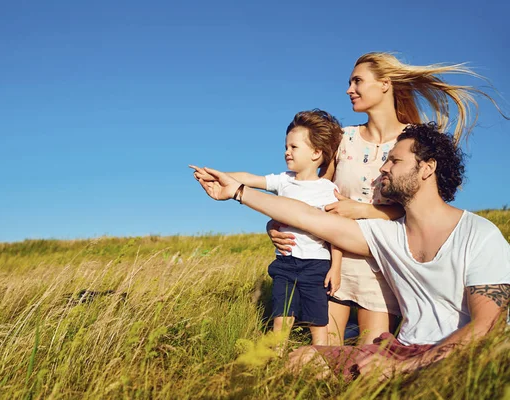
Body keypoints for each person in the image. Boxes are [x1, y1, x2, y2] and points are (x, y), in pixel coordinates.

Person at [192, 123, 510, 379]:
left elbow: (486, 329)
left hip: (458, 357)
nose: (383, 168)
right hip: (401, 349)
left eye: (395, 160)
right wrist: (238, 191)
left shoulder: (479, 235)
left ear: (427, 169)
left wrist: (404, 367)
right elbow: (309, 217)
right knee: (301, 360)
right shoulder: (387, 235)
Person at [268, 52, 509, 345]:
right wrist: (274, 225)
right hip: (335, 261)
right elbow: (310, 191)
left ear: (385, 84)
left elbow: (422, 209)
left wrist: (363, 210)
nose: (349, 89)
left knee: (368, 360)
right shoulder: (344, 138)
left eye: (357, 81)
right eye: (349, 82)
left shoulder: (411, 143)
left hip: (384, 263)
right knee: (325, 354)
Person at [191, 110, 343, 345]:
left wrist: (336, 267)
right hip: (284, 261)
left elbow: (336, 233)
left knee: (318, 321)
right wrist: (218, 175)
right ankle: (276, 358)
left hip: (316, 265)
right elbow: (249, 179)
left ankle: (320, 358)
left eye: (293, 147)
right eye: (286, 146)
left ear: (316, 152)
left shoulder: (327, 190)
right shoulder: (284, 180)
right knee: (281, 318)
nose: (286, 151)